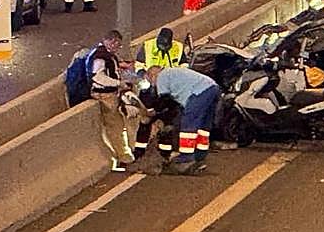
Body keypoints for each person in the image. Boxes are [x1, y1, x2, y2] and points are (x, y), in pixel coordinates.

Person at [146, 65, 223, 173]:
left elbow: (164, 99)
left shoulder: (162, 76)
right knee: (203, 128)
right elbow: (174, 105)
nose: (153, 85)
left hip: (199, 92)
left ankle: (186, 159)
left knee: (188, 125)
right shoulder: (175, 73)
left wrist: (154, 112)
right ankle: (199, 156)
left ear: (152, 75)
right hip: (212, 88)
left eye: (151, 81)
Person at [132, 28, 186, 161]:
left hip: (169, 91)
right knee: (145, 122)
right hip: (150, 90)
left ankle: (165, 154)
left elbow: (184, 66)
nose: (163, 47)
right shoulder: (147, 46)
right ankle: (139, 151)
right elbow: (138, 65)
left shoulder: (178, 48)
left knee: (168, 123)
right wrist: (144, 75)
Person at [87, 30, 137, 171]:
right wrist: (118, 83)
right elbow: (98, 77)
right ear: (112, 41)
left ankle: (124, 155)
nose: (118, 47)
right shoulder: (100, 58)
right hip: (105, 96)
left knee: (118, 126)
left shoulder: (106, 55)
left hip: (109, 94)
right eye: (118, 44)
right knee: (116, 127)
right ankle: (124, 157)